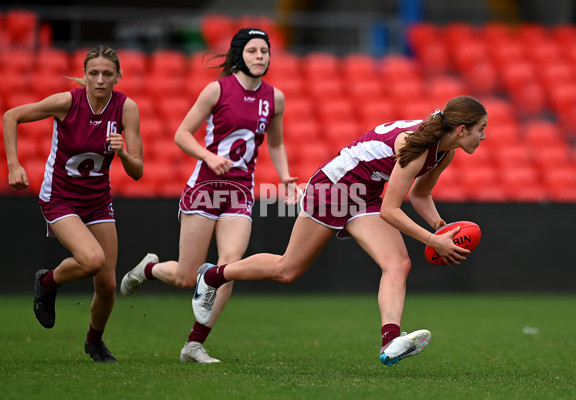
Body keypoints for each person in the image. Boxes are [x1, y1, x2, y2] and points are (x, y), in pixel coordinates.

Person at [191, 96, 488, 366]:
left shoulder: (444, 152)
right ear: (462, 130)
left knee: (398, 263)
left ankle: (390, 342)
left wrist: (440, 226)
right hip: (333, 188)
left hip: (364, 192)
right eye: (480, 129)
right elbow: (391, 210)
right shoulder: (418, 147)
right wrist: (432, 240)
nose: (484, 136)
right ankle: (212, 275)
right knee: (287, 269)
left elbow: (420, 195)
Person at [120, 28, 299, 363]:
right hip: (205, 188)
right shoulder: (217, 89)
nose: (260, 56)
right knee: (185, 278)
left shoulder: (275, 97)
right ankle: (148, 269)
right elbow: (181, 134)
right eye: (253, 51)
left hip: (240, 191)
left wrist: (285, 177)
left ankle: (194, 344)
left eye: (265, 51)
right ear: (239, 55)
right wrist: (208, 156)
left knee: (228, 267)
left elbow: (275, 143)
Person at [3, 45, 144, 362]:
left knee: (107, 284)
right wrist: (14, 165)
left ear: (118, 77)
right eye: (93, 73)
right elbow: (11, 116)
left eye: (107, 74)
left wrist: (122, 153)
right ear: (84, 76)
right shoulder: (67, 101)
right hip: (61, 197)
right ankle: (47, 282)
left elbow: (138, 171)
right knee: (92, 259)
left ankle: (94, 341)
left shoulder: (126, 109)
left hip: (98, 201)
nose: (99, 80)